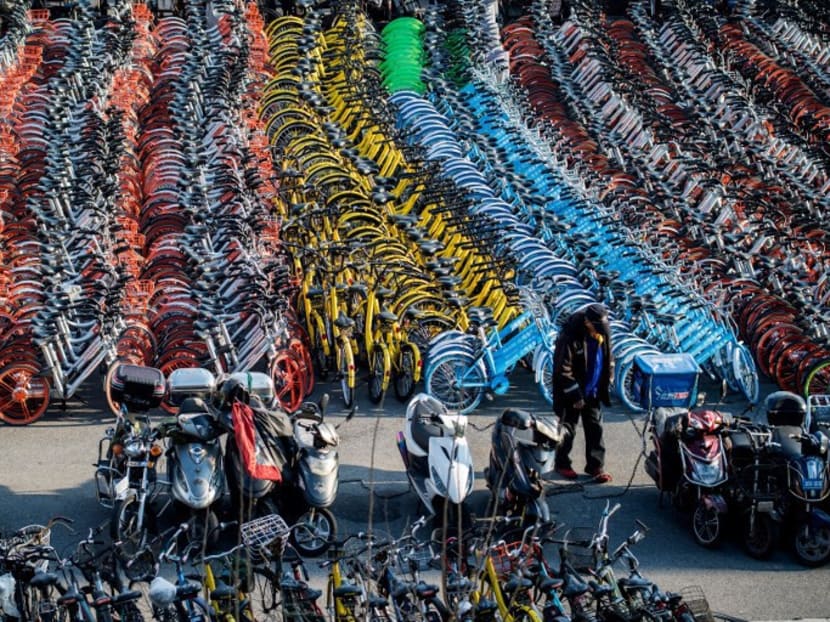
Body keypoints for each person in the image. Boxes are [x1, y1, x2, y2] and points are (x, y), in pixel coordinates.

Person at [552, 303, 614, 483]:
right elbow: (562, 370)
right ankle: (562, 463)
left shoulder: (602, 333)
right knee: (568, 429)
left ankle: (596, 466)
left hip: (593, 390)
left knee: (595, 427)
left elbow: (609, 356)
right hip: (572, 391)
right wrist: (575, 395)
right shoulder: (570, 336)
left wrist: (609, 376)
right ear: (587, 322)